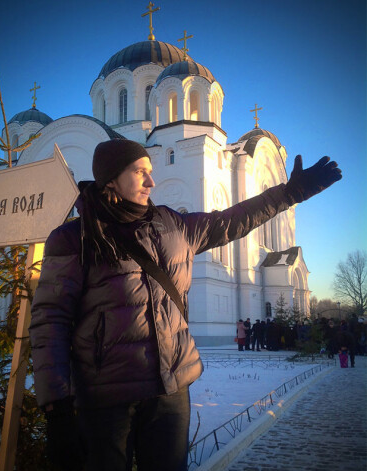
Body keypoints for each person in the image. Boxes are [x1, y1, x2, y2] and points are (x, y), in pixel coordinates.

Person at [29, 138, 341, 471]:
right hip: (105, 400)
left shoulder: (173, 226)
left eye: (151, 171)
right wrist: (58, 409)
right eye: (139, 172)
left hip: (170, 390)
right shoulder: (74, 238)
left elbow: (232, 220)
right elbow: (51, 321)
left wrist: (290, 194)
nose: (151, 181)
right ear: (111, 178)